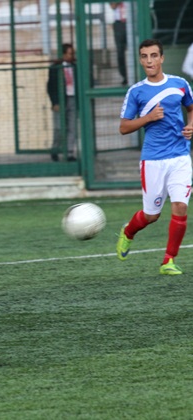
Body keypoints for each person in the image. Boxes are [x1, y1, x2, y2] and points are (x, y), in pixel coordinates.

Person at [116, 39, 193, 275]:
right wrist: (148, 117)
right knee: (151, 215)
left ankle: (168, 261)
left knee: (180, 206)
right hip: (152, 160)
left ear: (162, 58)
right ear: (141, 60)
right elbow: (124, 127)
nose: (149, 61)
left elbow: (191, 107)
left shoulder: (180, 84)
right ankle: (128, 232)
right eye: (144, 56)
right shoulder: (136, 91)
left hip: (180, 156)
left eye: (153, 55)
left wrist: (191, 125)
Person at [46, 43, 77, 162]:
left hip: (72, 98)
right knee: (59, 128)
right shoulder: (55, 67)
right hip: (60, 99)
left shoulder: (75, 67)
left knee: (72, 127)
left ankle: (69, 153)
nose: (71, 56)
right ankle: (55, 150)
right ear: (63, 54)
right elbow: (50, 87)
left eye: (72, 54)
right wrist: (54, 102)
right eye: (69, 54)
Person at [110, 2, 127, 85]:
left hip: (132, 21)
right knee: (120, 51)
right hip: (119, 24)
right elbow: (112, 5)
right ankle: (124, 76)